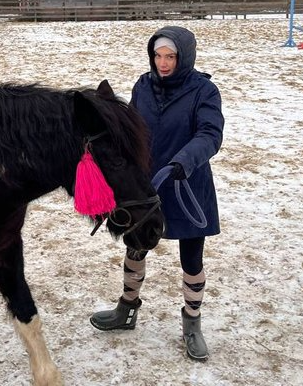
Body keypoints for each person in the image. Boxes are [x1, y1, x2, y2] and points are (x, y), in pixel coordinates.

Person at [90, 26, 224, 361]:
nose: (162, 63)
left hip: (187, 184)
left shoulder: (203, 91)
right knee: (135, 248)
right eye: (157, 55)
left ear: (184, 57)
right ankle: (127, 309)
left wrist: (185, 160)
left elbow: (210, 133)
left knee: (191, 259)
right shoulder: (143, 86)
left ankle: (192, 323)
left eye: (170, 57)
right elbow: (131, 128)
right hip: (145, 187)